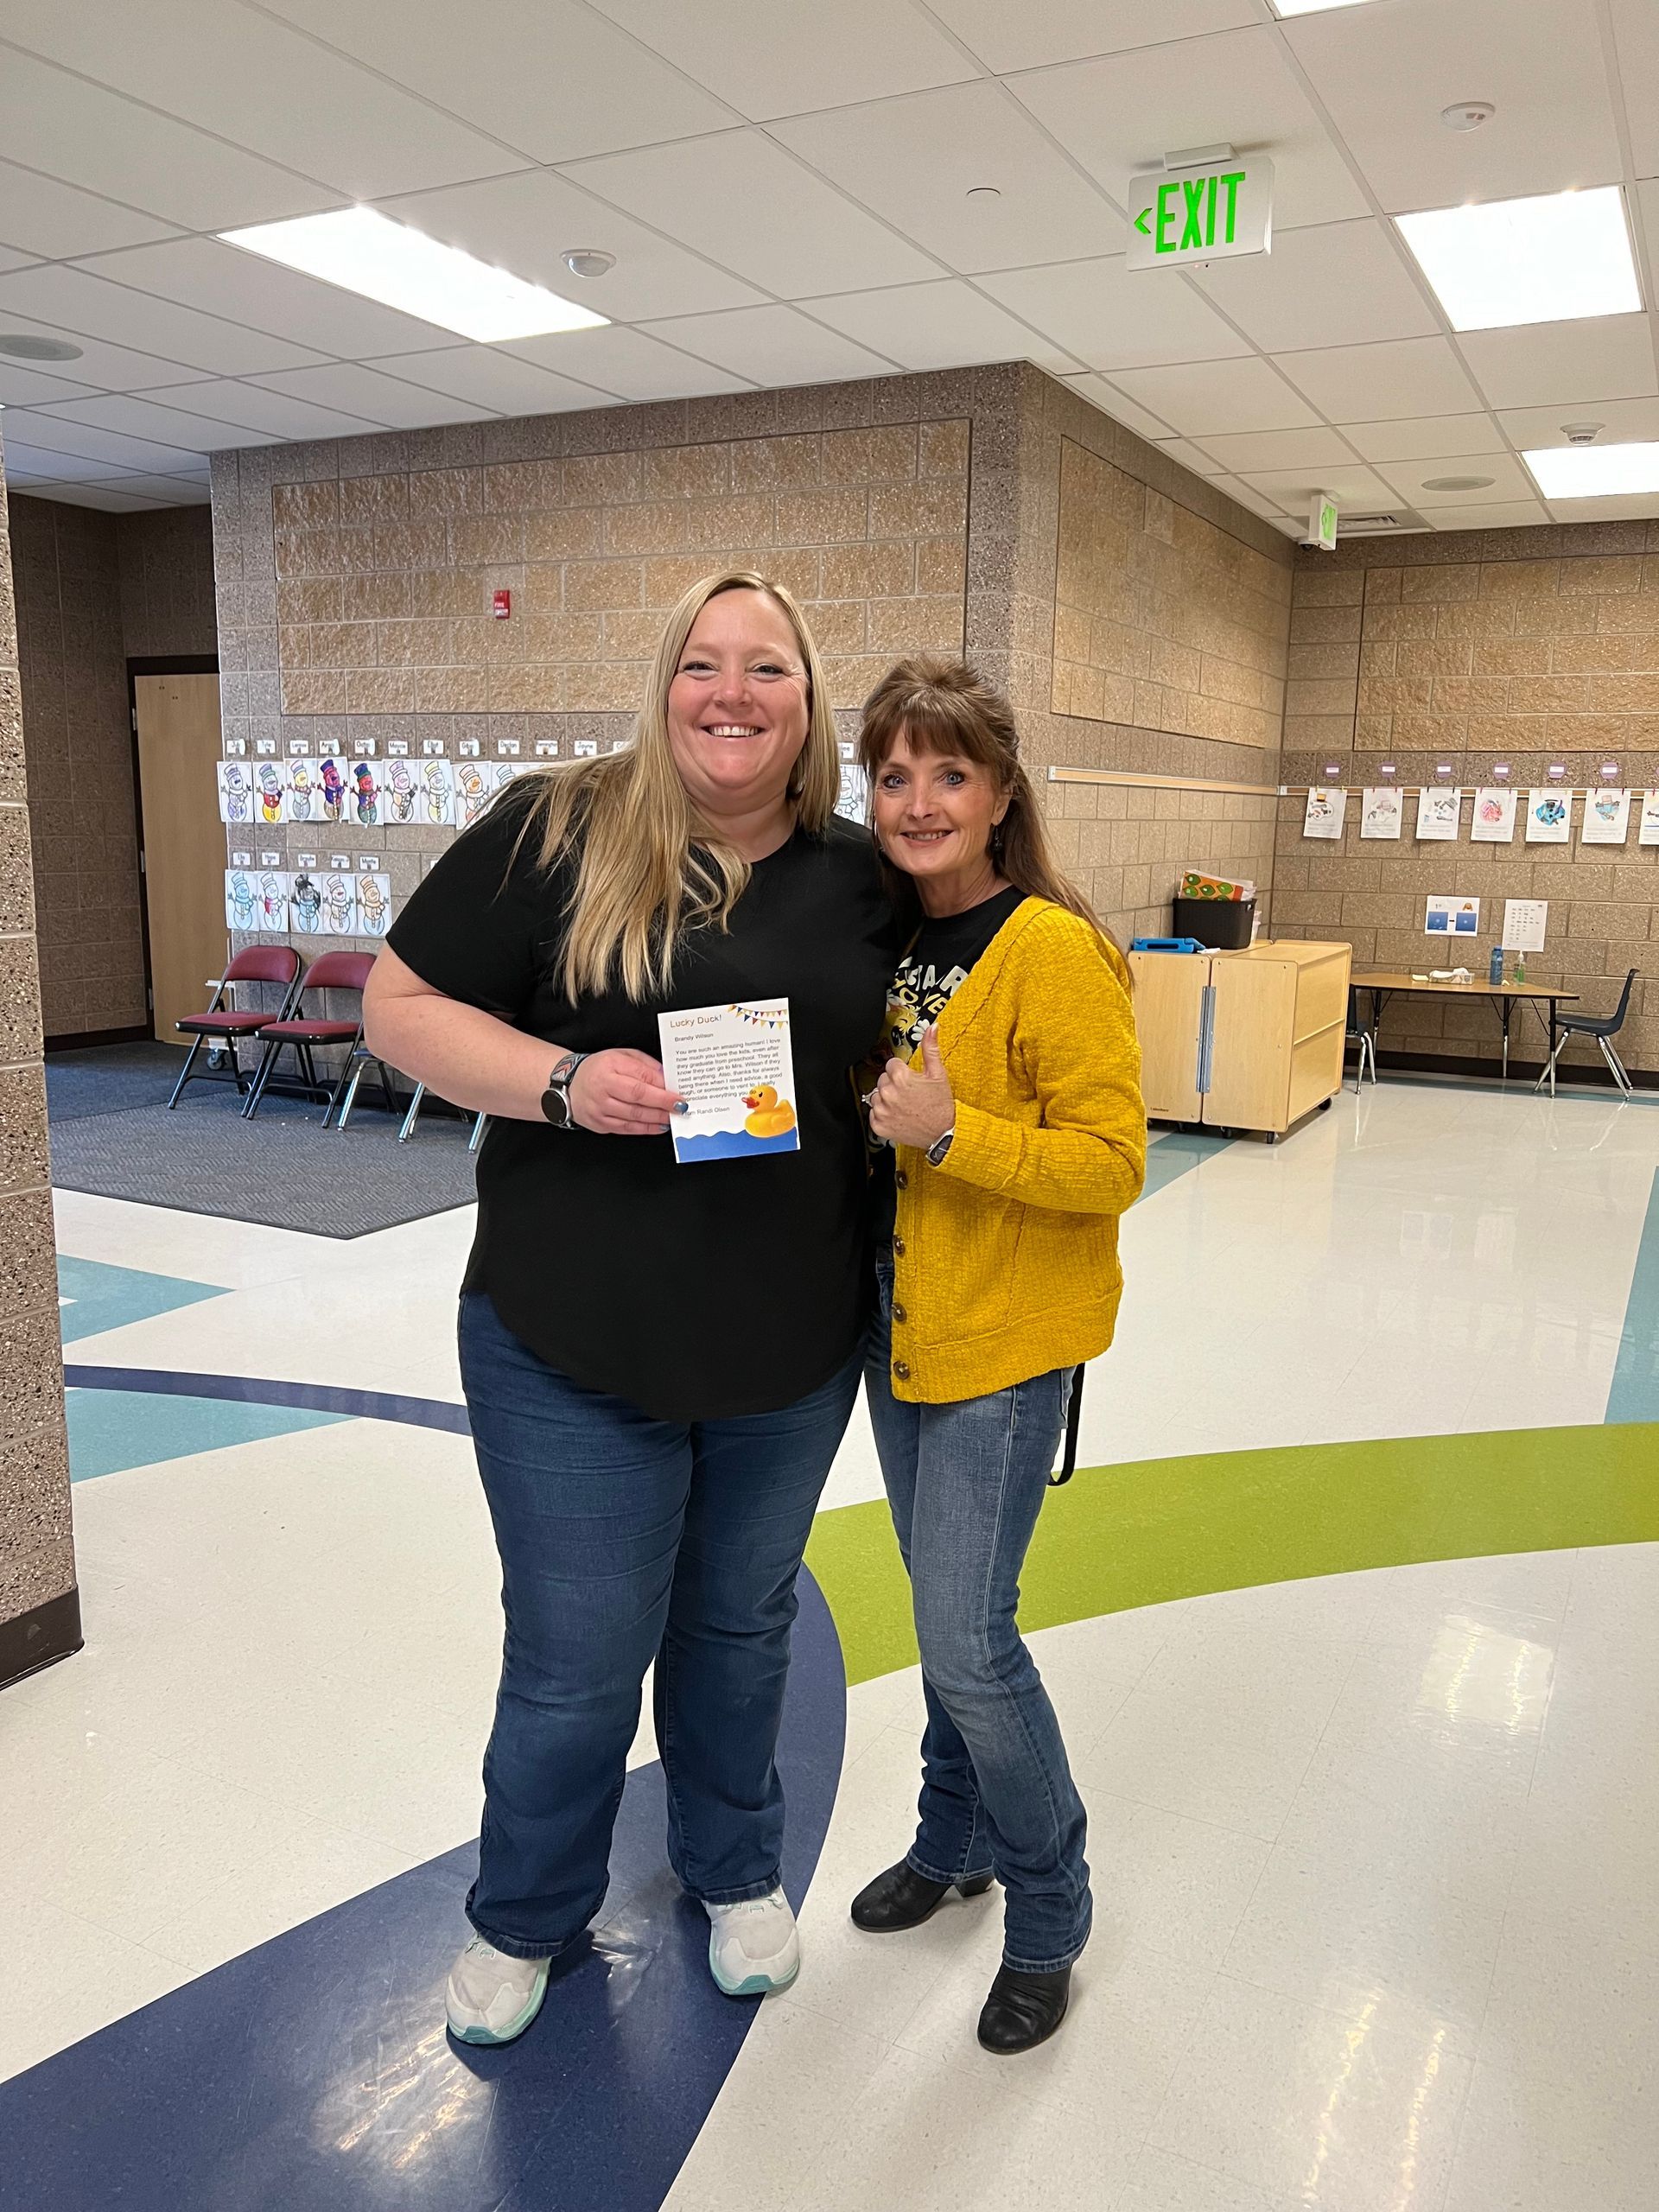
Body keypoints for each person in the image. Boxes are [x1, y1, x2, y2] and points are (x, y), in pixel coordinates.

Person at [363, 570, 893, 2046]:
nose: (733, 693)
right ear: (664, 686)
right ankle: (526, 1915)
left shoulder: (860, 877)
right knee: (578, 1658)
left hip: (790, 1341)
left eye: (767, 668)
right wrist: (560, 1081)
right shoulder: (558, 826)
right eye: (702, 665)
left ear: (807, 701)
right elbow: (397, 1009)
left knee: (740, 1629)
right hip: (571, 1336)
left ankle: (732, 1873)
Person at [849, 658, 1145, 2056]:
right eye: (894, 775)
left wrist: (952, 1137)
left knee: (971, 1641)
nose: (918, 802)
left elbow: (1112, 1162)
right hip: (902, 1332)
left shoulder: (1050, 948)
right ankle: (950, 1839)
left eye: (948, 774)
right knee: (941, 1614)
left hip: (1004, 1346)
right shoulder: (881, 936)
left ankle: (1050, 1908)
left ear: (1001, 793)